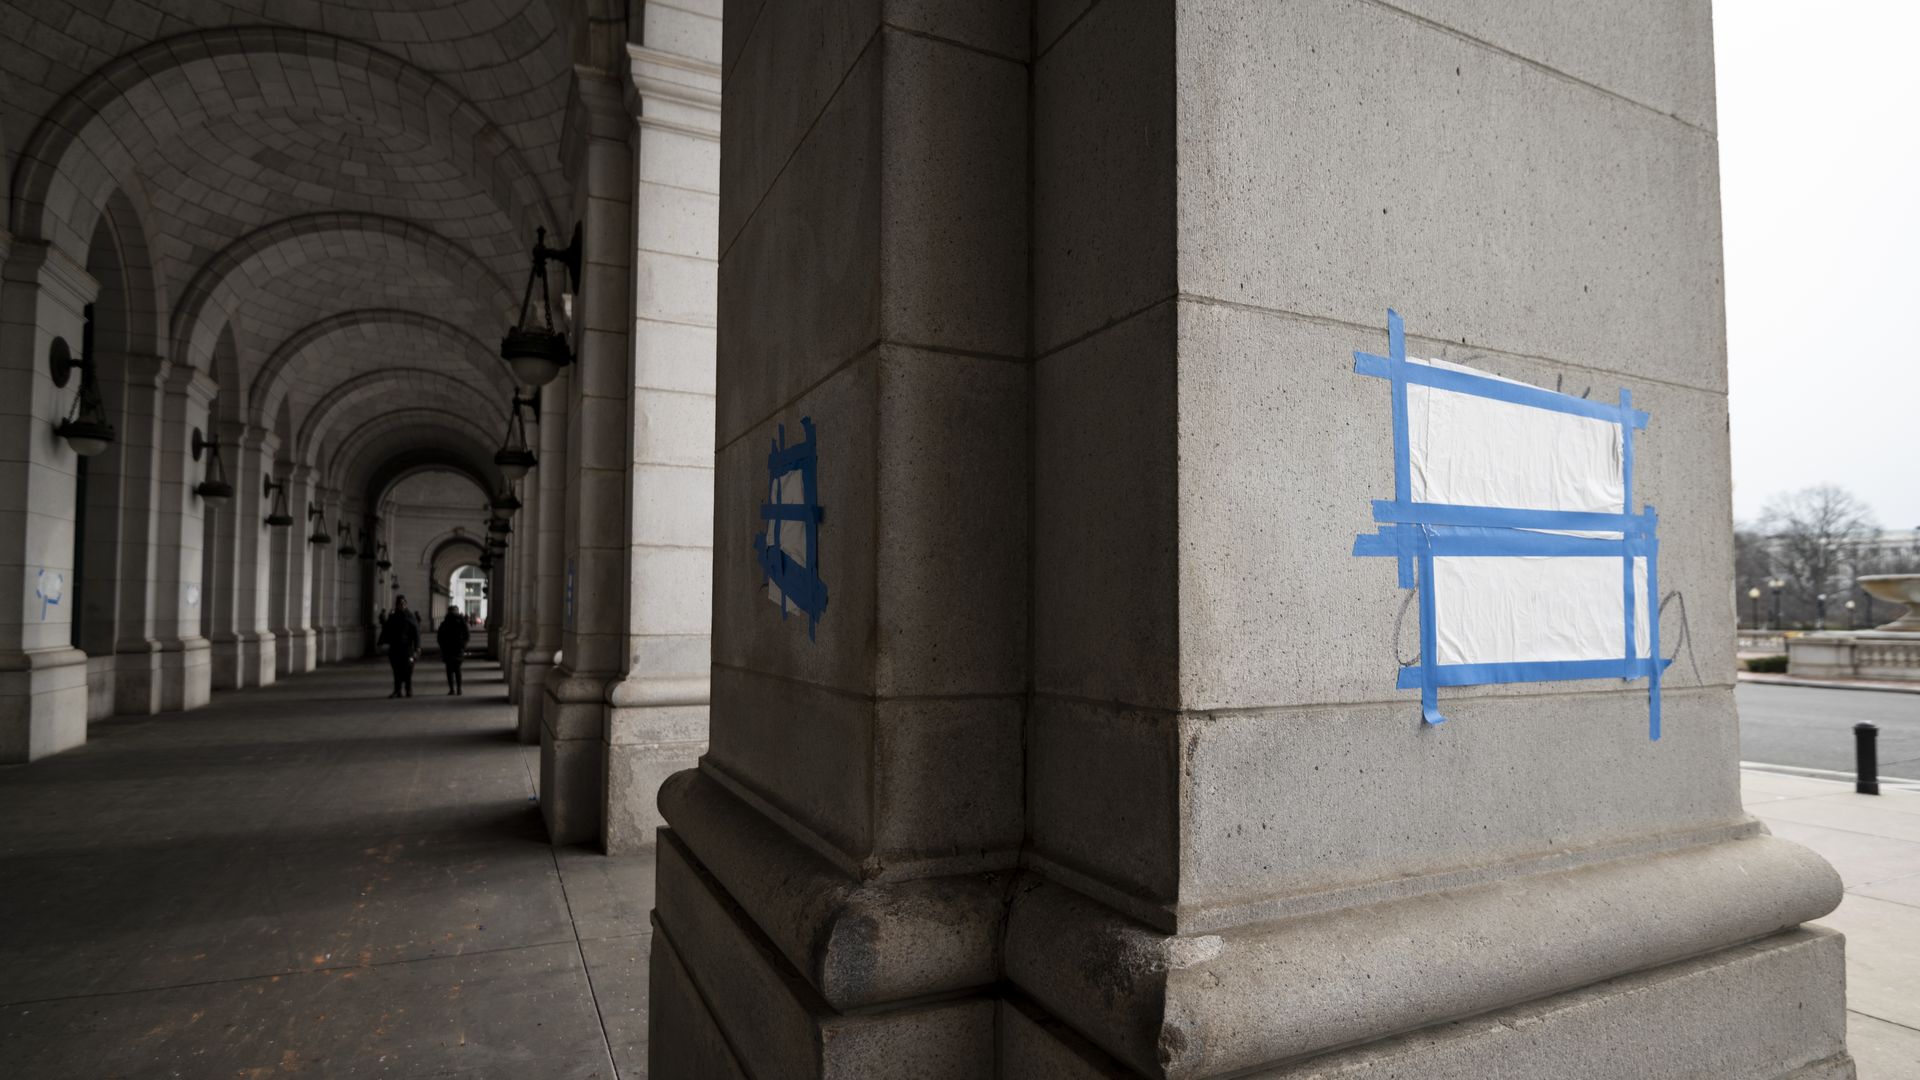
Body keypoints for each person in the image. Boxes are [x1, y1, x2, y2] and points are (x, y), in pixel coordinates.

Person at [377, 595, 422, 698]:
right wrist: (380, 643)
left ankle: (408, 689)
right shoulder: (393, 617)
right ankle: (397, 690)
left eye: (404, 603)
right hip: (395, 648)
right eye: (400, 604)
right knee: (396, 670)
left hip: (408, 649)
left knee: (408, 669)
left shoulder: (410, 616)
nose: (402, 605)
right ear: (397, 605)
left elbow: (416, 633)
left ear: (406, 604)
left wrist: (417, 647)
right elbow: (386, 630)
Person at [436, 605, 471, 695]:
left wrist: (443, 646)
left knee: (451, 670)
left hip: (452, 649)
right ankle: (457, 689)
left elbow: (439, 637)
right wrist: (463, 645)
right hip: (454, 649)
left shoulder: (446, 623)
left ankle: (454, 689)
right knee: (455, 670)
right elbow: (467, 635)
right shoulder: (458, 622)